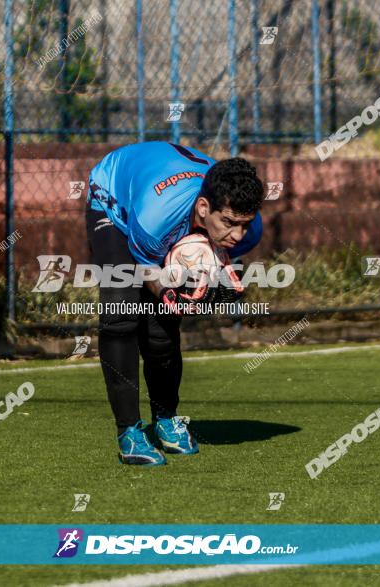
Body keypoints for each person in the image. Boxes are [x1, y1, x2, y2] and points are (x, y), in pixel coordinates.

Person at [84, 141, 264, 466]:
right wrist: (178, 298)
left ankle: (166, 419)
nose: (238, 235)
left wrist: (214, 285)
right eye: (229, 223)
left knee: (161, 332)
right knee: (122, 315)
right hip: (115, 198)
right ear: (204, 208)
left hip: (161, 194)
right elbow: (151, 278)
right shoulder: (156, 221)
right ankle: (129, 432)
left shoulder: (249, 231)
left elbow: (215, 262)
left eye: (245, 224)